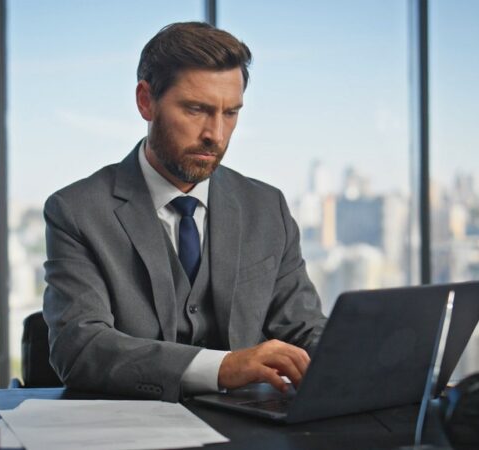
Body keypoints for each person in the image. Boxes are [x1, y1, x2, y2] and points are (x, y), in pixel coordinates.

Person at [43, 22, 326, 402]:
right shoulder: (77, 211)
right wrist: (222, 368)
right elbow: (80, 349)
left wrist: (366, 363)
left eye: (230, 113)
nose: (217, 134)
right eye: (196, 110)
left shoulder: (266, 207)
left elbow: (305, 328)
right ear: (146, 100)